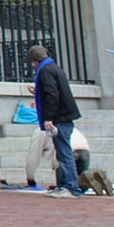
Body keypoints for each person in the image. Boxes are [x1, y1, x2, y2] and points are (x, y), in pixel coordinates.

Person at [29, 45, 83, 199]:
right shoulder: (54, 68)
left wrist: (48, 118)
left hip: (60, 117)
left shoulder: (45, 71)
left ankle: (71, 187)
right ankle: (65, 185)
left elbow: (52, 95)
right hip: (65, 115)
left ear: (36, 61)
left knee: (64, 153)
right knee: (62, 153)